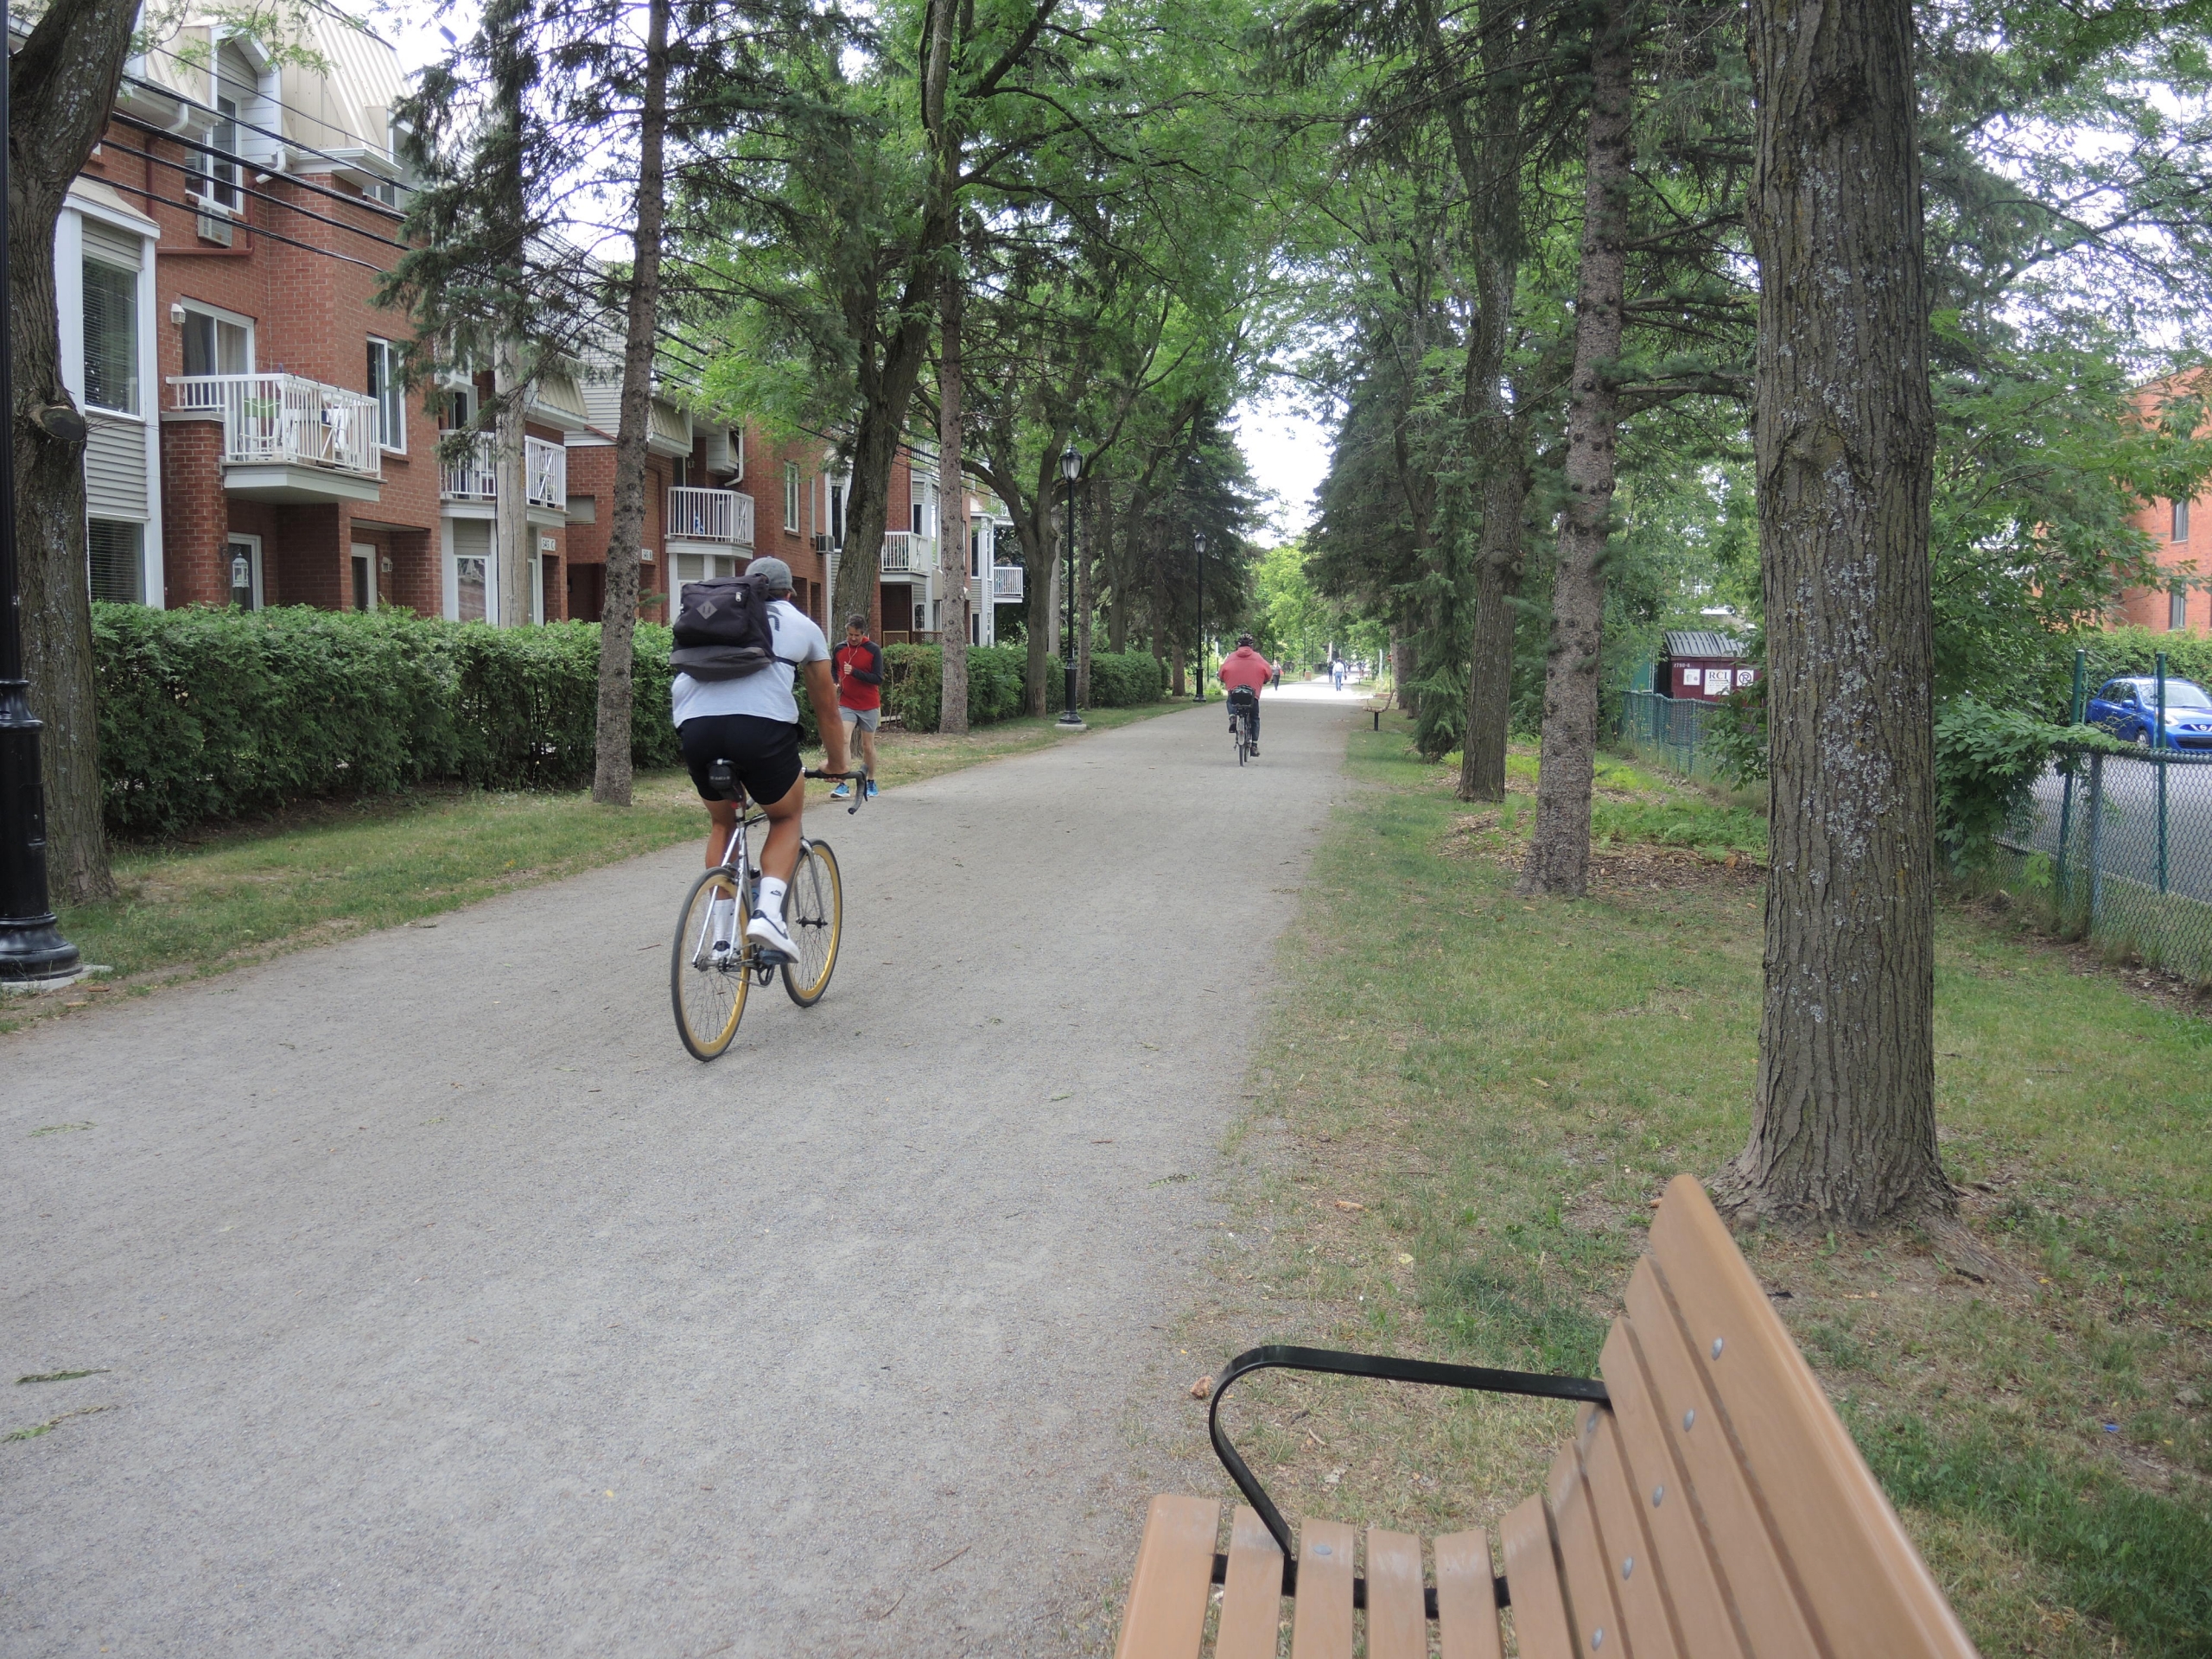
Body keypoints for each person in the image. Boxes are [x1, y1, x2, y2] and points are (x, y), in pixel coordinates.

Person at [671, 556, 850, 963]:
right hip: (761, 730)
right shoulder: (802, 625)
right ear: (789, 593)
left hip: (696, 729)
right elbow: (827, 708)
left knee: (723, 823)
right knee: (785, 817)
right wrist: (837, 763)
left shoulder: (714, 618)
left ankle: (722, 941)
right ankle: (769, 916)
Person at [830, 614, 882, 802]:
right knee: (844, 740)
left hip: (869, 704)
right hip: (847, 702)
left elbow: (878, 678)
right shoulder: (839, 648)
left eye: (856, 635)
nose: (852, 638)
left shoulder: (873, 650)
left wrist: (855, 672)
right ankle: (843, 783)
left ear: (863, 634)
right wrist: (835, 682)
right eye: (850, 634)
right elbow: (834, 668)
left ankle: (870, 781)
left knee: (867, 746)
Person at [1216, 633, 1275, 755]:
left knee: (1230, 700)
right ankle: (1254, 746)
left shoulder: (1231, 657)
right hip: (1252, 694)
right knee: (1254, 717)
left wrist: (1223, 678)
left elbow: (1221, 673)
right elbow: (1269, 673)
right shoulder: (1258, 657)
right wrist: (1265, 679)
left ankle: (1232, 716)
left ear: (1238, 645)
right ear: (1251, 646)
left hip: (1235, 692)